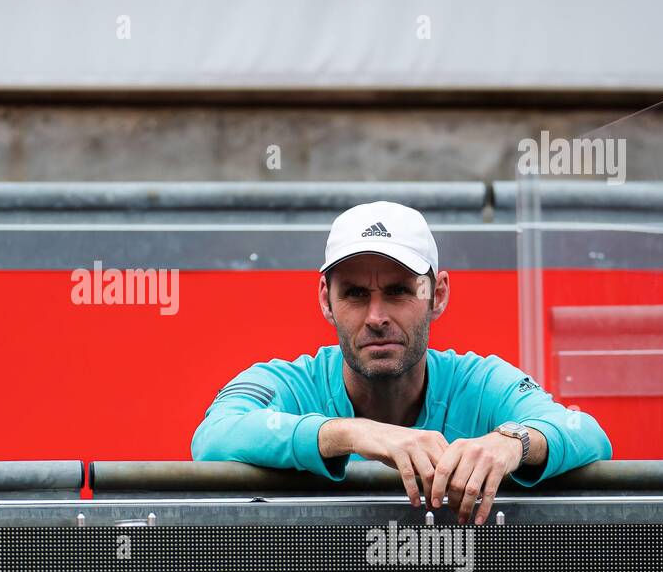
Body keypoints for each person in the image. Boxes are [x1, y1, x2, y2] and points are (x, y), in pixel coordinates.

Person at [191, 200, 613, 524]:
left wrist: (511, 443)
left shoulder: (481, 381)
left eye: (398, 291)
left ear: (439, 294)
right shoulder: (287, 382)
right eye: (355, 294)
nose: (376, 317)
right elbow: (213, 437)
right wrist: (354, 434)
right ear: (326, 300)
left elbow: (587, 433)